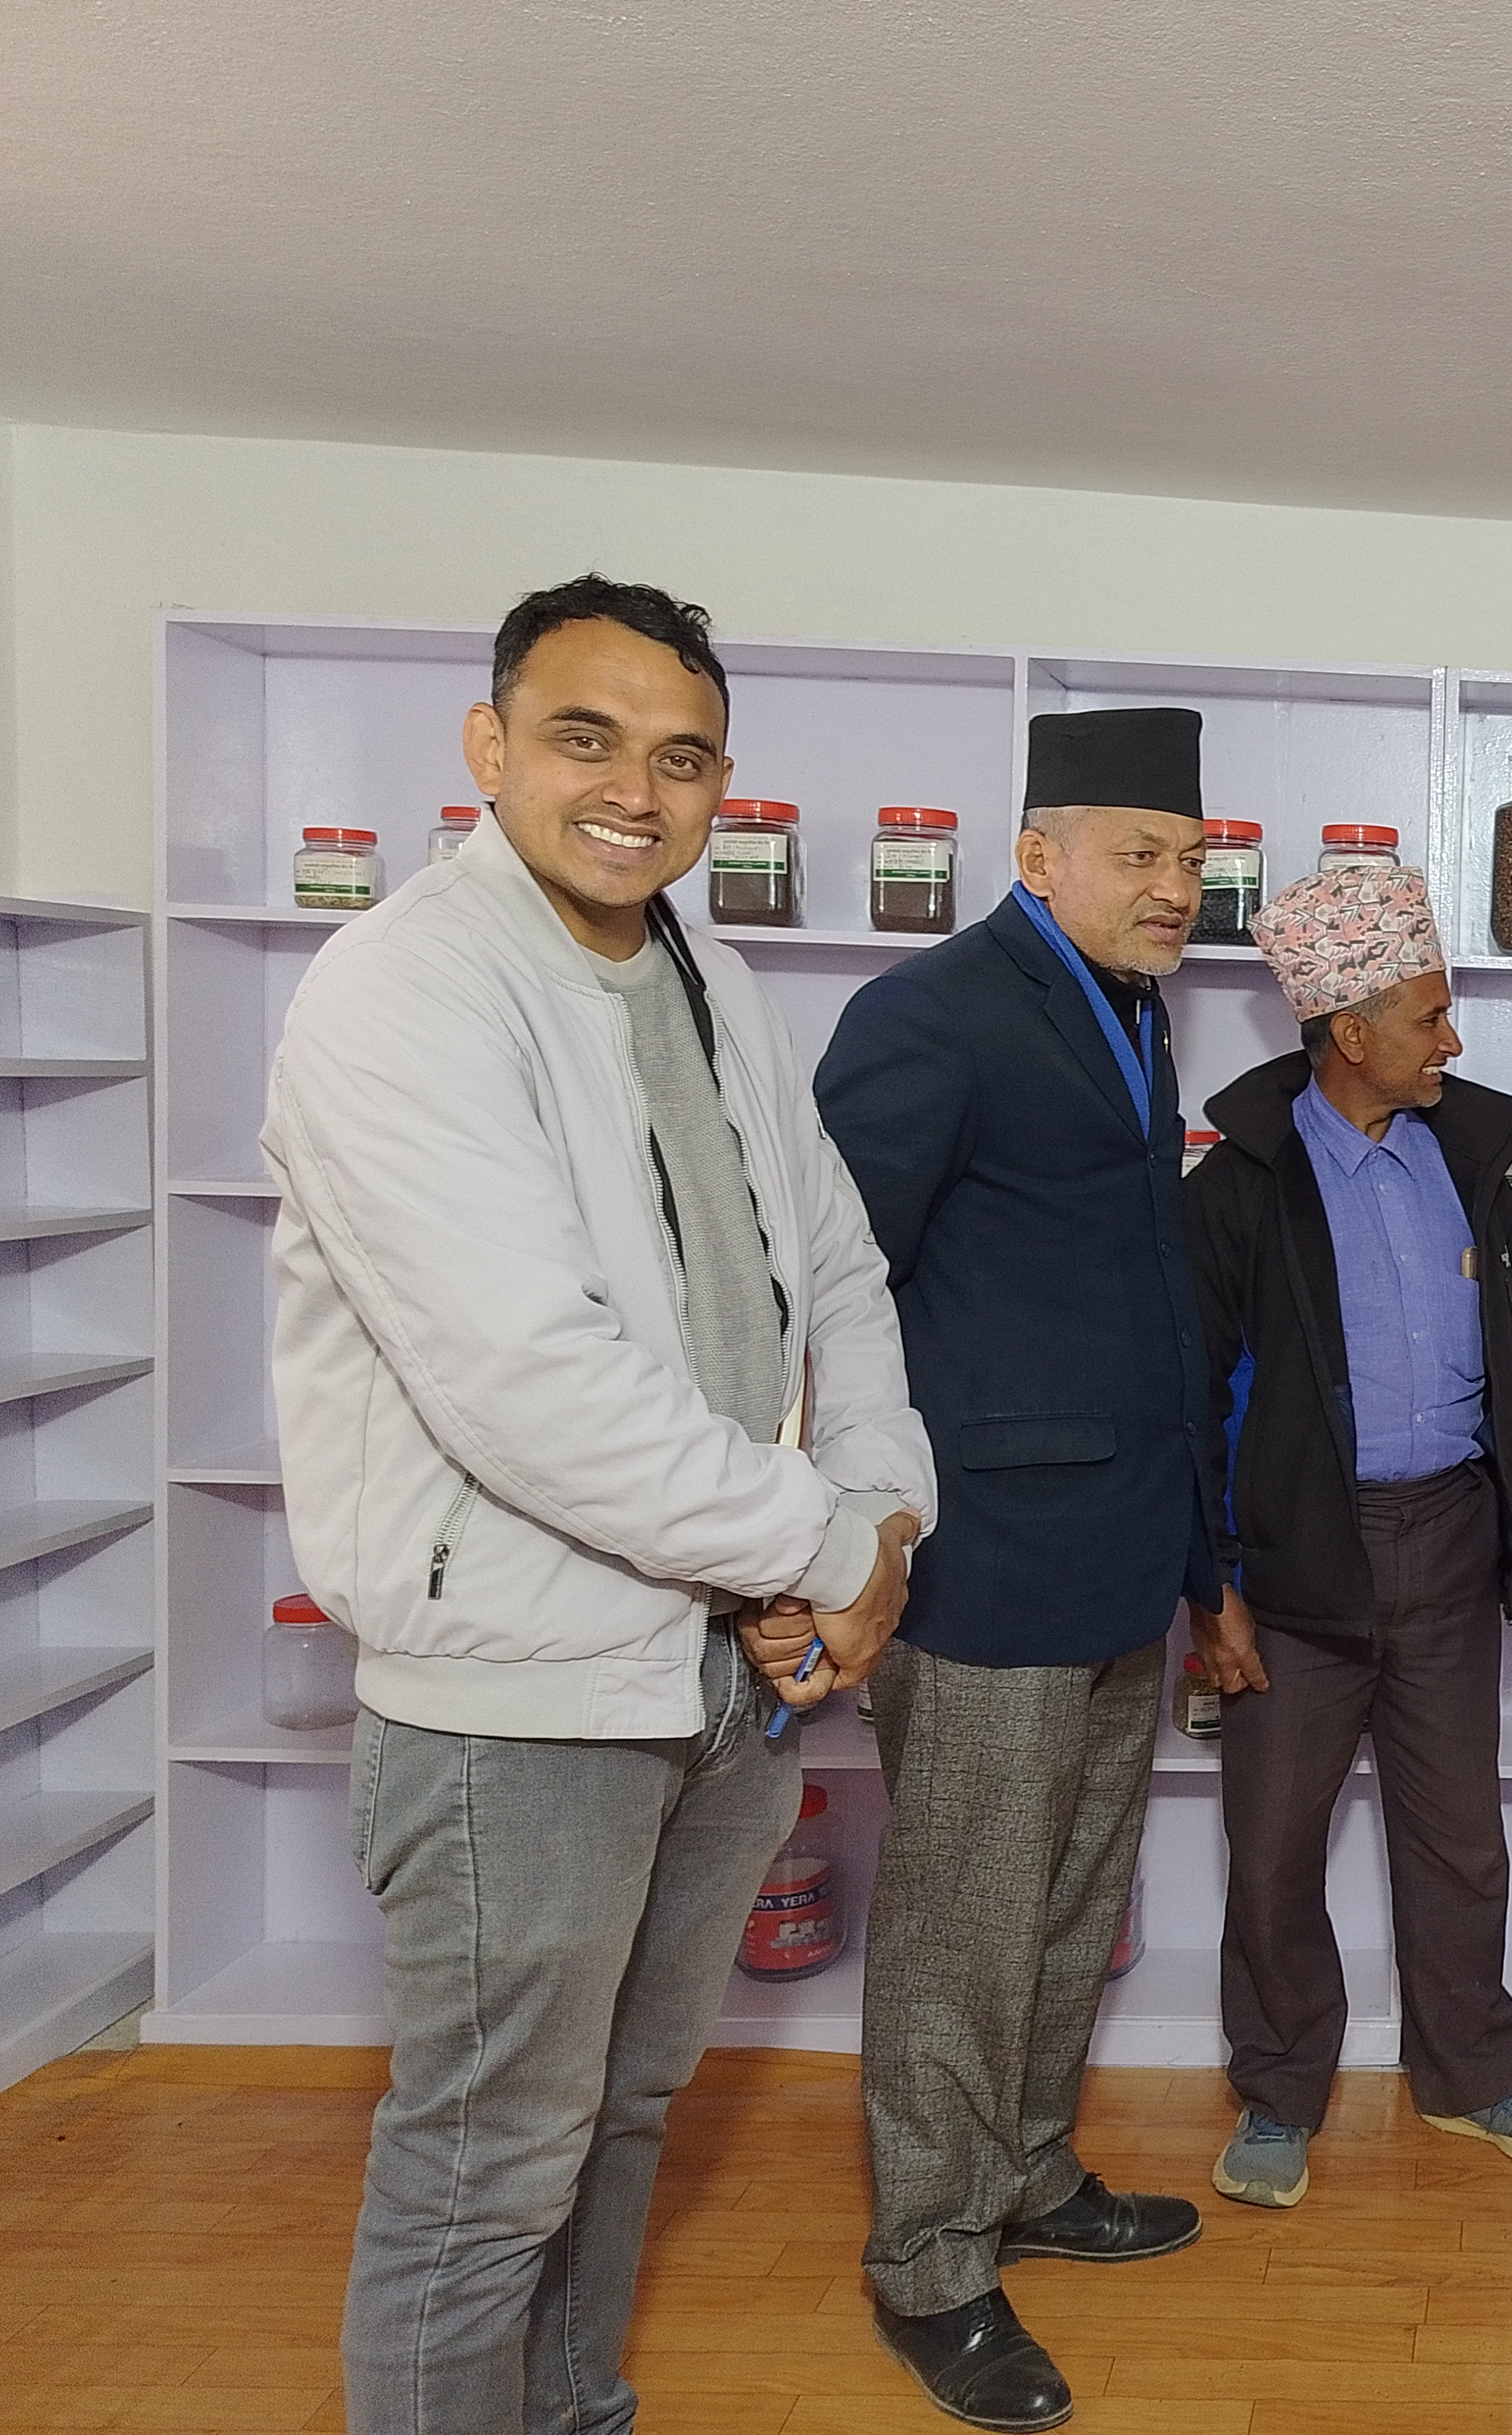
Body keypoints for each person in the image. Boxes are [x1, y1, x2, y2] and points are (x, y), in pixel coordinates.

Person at [265, 575, 934, 2435]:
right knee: (485, 2170)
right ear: (488, 748)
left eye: (683, 756)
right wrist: (820, 1548)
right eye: (586, 738)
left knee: (624, 2115)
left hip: (729, 1670)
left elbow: (839, 1274)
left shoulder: (713, 983)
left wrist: (880, 1519)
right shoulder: (400, 986)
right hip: (519, 1692)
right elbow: (525, 1381)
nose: (637, 790)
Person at [811, 707, 1219, 2432]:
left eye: (1189, 858)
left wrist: (1199, 1551)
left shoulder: (1133, 1009)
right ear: (1036, 855)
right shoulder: (932, 1012)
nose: (1174, 887)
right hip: (982, 1550)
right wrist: (836, 1532)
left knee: (1068, 1903)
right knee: (963, 1926)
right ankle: (928, 2260)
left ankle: (1029, 2176)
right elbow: (830, 1291)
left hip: (1118, 1545)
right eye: (1138, 855)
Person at [1182, 860, 1512, 2209]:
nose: (1450, 1040)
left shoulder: (1464, 1162)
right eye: (1429, 1015)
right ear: (1350, 1031)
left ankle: (1474, 2076)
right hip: (1298, 1557)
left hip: (1452, 1538)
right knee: (1274, 1846)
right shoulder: (1241, 1187)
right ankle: (1279, 2090)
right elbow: (1191, 1396)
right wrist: (1212, 1584)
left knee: (1460, 1836)